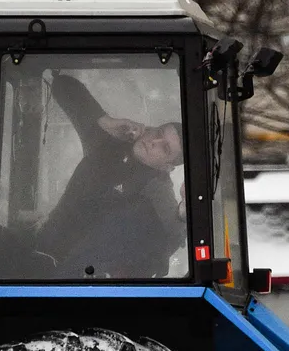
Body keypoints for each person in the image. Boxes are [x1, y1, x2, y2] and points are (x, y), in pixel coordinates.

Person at [35, 73, 186, 278]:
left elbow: (169, 234)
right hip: (40, 246)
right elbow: (63, 86)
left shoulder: (156, 190)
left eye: (165, 148)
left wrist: (182, 216)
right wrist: (105, 121)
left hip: (75, 275)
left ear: (168, 167)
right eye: (158, 133)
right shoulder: (106, 143)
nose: (153, 142)